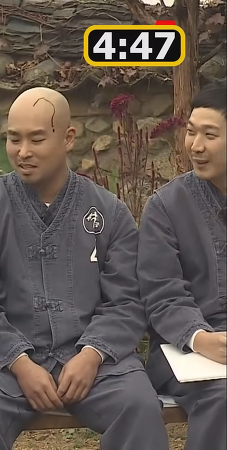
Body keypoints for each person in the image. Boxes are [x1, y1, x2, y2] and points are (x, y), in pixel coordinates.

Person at [0, 87, 170, 450]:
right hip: (0, 362)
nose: (23, 151)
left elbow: (128, 299)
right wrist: (19, 363)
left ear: (68, 138)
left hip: (96, 362)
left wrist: (92, 354)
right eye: (14, 139)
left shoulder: (109, 212)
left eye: (36, 139)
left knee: (138, 407)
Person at [138, 79, 227, 450]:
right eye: (191, 132)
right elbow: (162, 292)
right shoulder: (166, 207)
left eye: (210, 135)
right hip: (185, 349)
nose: (196, 146)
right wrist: (201, 338)